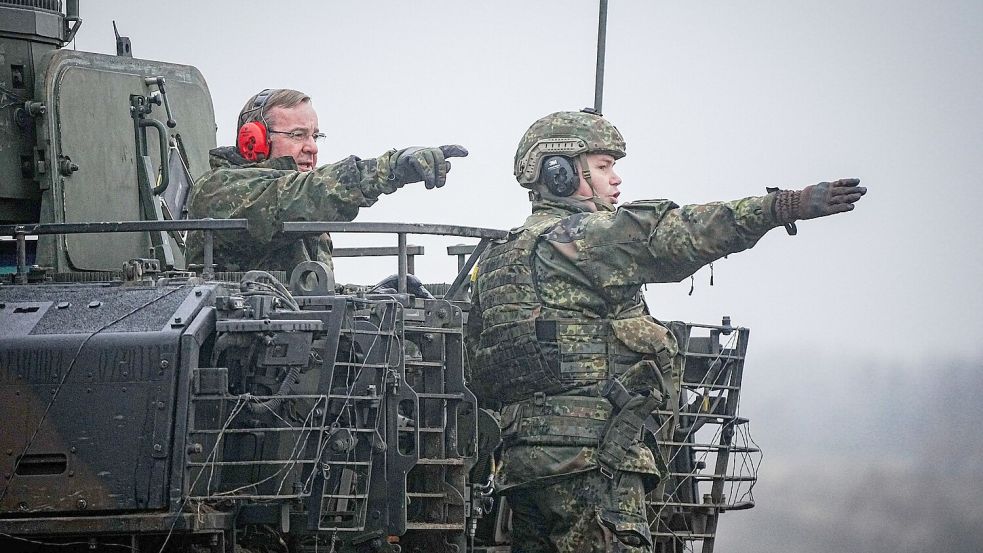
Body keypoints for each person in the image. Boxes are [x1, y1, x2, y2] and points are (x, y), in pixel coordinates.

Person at [467, 109, 866, 553]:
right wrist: (781, 206)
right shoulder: (585, 239)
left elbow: (478, 363)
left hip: (521, 468)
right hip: (593, 463)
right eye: (603, 167)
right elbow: (682, 234)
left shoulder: (497, 260)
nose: (616, 179)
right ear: (559, 173)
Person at [186, 88, 467, 273]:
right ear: (253, 141)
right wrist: (389, 169)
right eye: (297, 135)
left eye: (315, 136)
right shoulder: (217, 190)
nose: (312, 147)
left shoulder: (305, 204)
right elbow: (297, 195)